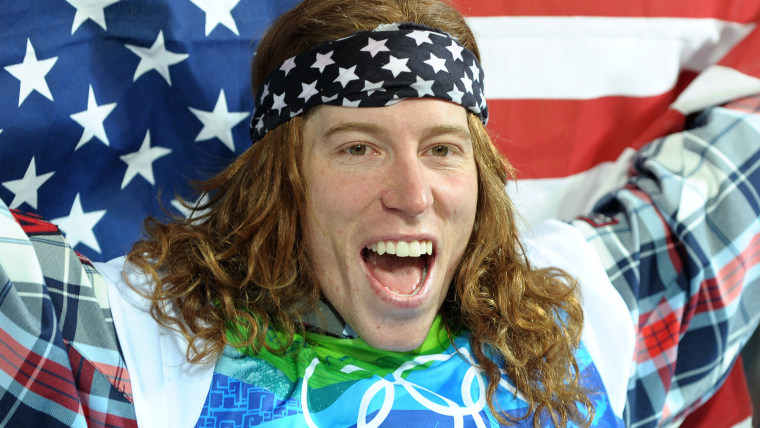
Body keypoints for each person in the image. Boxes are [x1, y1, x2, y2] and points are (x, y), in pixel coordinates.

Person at [1, 0, 758, 427]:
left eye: (442, 149)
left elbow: (724, 198)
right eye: (358, 148)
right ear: (284, 183)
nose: (411, 193)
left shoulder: (578, 324)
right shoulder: (150, 349)